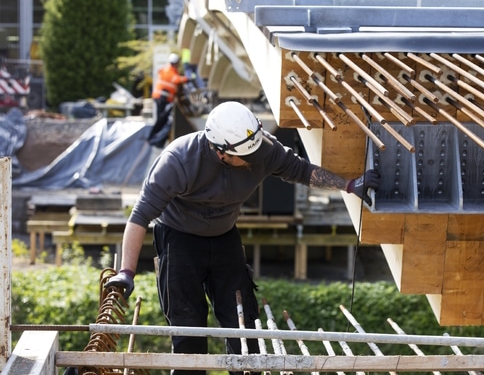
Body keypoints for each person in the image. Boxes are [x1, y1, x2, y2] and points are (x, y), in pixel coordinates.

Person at [106, 101, 380, 375]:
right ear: (220, 152)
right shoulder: (179, 160)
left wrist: (348, 184)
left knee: (244, 325)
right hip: (179, 239)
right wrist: (127, 272)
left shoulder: (262, 149)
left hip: (224, 236)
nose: (252, 160)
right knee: (188, 327)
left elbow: (302, 171)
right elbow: (139, 217)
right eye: (243, 157)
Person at [148, 52, 189, 147]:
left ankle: (158, 139)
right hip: (161, 98)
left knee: (164, 118)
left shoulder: (173, 71)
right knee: (161, 118)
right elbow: (176, 80)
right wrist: (187, 78)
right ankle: (155, 139)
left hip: (165, 99)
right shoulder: (168, 71)